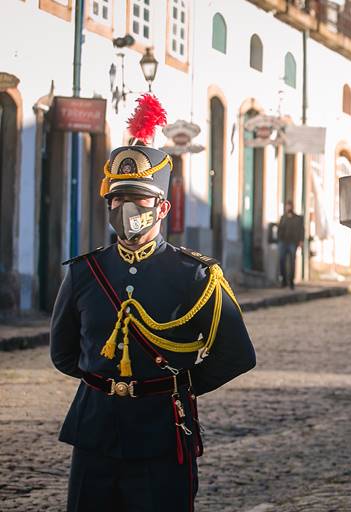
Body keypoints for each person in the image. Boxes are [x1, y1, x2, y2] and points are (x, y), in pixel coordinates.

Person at [50, 95, 256, 512]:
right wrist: (106, 382)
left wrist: (177, 386)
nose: (125, 208)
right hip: (94, 432)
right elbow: (64, 353)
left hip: (162, 432)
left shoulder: (195, 275)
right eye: (117, 198)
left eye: (139, 199)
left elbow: (236, 354)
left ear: (162, 207)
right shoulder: (85, 272)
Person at [277, 200, 305, 289]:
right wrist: (279, 239)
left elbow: (302, 230)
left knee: (292, 262)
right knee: (281, 261)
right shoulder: (283, 218)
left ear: (292, 207)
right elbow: (279, 229)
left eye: (290, 206)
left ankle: (291, 281)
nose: (288, 208)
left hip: (293, 242)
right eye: (287, 206)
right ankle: (284, 280)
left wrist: (301, 241)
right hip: (283, 242)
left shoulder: (298, 218)